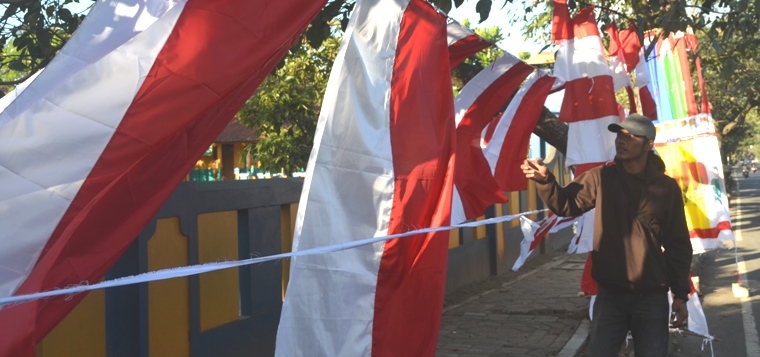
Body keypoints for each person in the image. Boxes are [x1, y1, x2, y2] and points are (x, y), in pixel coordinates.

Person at [521, 114, 693, 356]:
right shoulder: (600, 177)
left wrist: (680, 295)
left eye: (631, 136)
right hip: (610, 295)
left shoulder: (666, 188)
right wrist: (546, 181)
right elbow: (567, 204)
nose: (622, 140)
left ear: (648, 144)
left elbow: (678, 245)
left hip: (651, 296)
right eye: (619, 135)